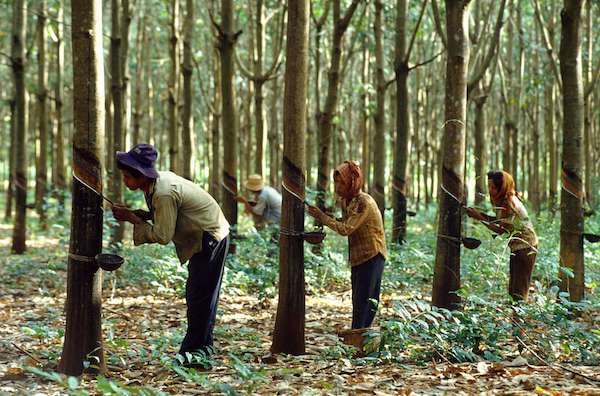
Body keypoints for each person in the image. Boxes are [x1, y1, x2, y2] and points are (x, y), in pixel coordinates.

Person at [111, 143, 230, 367]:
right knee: (199, 296)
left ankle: (194, 357)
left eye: (127, 176)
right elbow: (168, 216)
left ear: (141, 175)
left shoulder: (164, 193)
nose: (125, 181)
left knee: (200, 298)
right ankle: (201, 350)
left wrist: (134, 220)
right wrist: (139, 214)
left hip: (210, 237)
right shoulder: (155, 186)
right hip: (202, 234)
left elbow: (163, 235)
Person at [307, 161, 387, 329]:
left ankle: (360, 341)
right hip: (358, 257)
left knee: (366, 303)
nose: (337, 186)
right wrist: (327, 217)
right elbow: (345, 221)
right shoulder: (346, 201)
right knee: (358, 301)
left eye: (341, 182)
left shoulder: (364, 202)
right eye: (336, 182)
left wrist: (322, 217)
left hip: (372, 255)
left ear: (352, 182)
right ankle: (358, 340)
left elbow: (345, 229)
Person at [466, 170, 538, 301]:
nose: (490, 190)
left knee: (519, 289)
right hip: (517, 247)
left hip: (526, 247)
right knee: (513, 287)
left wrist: (479, 217)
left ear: (502, 187)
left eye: (493, 187)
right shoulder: (504, 200)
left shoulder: (510, 203)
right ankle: (515, 317)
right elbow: (499, 221)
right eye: (489, 187)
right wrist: (479, 214)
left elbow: (501, 230)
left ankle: (518, 318)